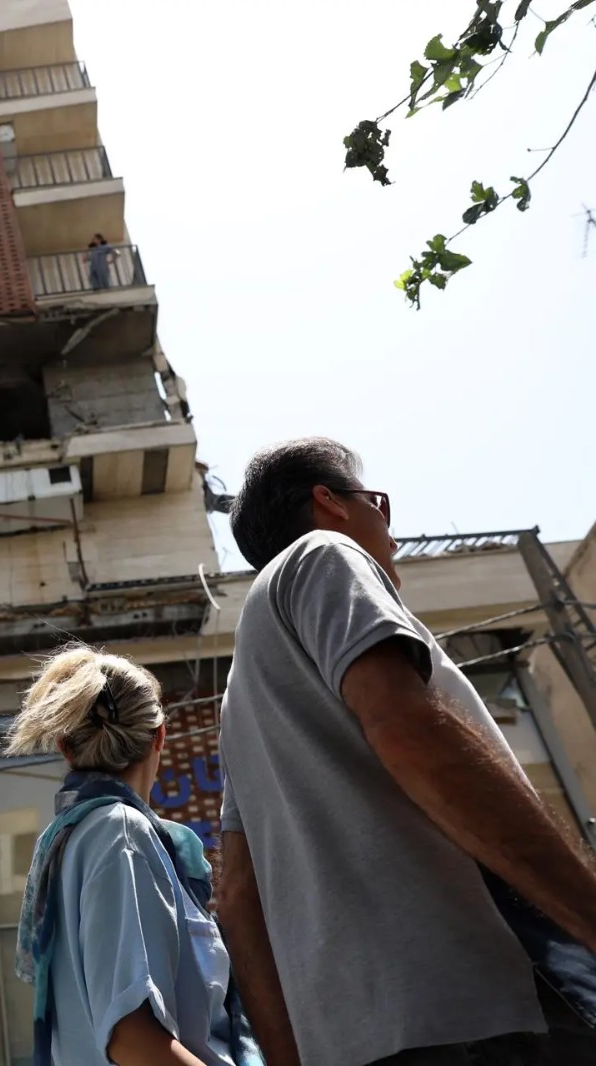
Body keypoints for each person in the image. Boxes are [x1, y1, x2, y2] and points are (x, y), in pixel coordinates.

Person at [216, 437, 596, 1066]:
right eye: (379, 505)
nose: (389, 533)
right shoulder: (326, 552)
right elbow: (406, 728)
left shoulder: (242, 694)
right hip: (478, 1009)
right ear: (330, 502)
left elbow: (236, 896)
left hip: (355, 1041)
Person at [9, 644, 263, 1066]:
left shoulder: (71, 839)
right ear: (160, 736)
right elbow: (132, 1040)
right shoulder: (121, 833)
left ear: (66, 748)